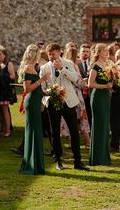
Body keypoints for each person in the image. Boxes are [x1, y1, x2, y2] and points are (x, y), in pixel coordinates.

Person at [40, 43, 89, 171]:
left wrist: (62, 68)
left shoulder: (68, 63)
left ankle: (77, 161)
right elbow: (43, 88)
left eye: (53, 54)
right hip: (52, 102)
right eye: (49, 54)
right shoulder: (44, 68)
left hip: (69, 102)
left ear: (59, 52)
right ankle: (58, 161)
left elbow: (76, 79)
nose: (51, 57)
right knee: (54, 132)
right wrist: (51, 92)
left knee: (74, 131)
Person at [18, 44, 51, 175]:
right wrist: (42, 79)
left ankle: (35, 163)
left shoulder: (32, 67)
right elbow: (27, 89)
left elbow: (36, 88)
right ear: (34, 55)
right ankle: (32, 164)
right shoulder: (28, 67)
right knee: (33, 131)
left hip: (36, 101)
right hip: (31, 103)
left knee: (36, 131)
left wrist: (47, 92)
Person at [88, 43, 113, 166]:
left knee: (105, 126)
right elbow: (90, 84)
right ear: (98, 52)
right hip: (98, 97)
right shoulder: (95, 66)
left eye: (107, 50)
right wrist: (104, 86)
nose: (107, 52)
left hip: (106, 97)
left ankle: (104, 155)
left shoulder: (108, 64)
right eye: (104, 51)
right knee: (99, 125)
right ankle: (97, 157)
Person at [0, 47, 16, 137]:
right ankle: (2, 128)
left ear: (4, 55)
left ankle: (8, 130)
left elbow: (12, 76)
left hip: (5, 90)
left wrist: (2, 76)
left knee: (4, 109)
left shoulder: (8, 64)